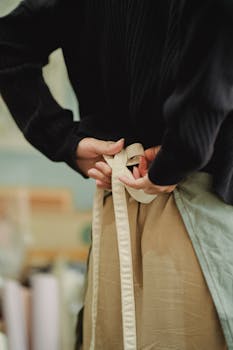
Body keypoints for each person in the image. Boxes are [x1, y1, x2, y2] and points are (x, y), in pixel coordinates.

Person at [0, 0, 233, 349]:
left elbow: (7, 43)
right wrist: (180, 154)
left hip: (115, 217)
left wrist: (66, 142)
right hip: (194, 218)